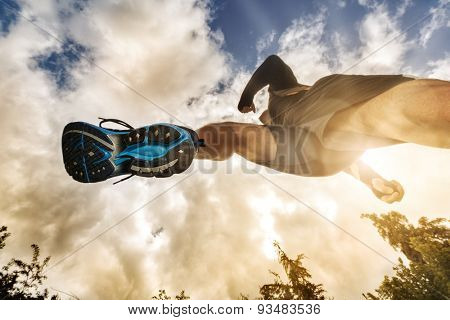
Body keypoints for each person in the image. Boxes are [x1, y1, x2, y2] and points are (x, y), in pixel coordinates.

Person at [62, 55, 449, 203]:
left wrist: (250, 96)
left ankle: (171, 146)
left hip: (330, 108)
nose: (260, 114)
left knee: (394, 111)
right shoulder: (275, 117)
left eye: (262, 113)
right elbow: (347, 159)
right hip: (312, 151)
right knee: (229, 134)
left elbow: (275, 65)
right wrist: (371, 181)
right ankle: (149, 148)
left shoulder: (285, 95)